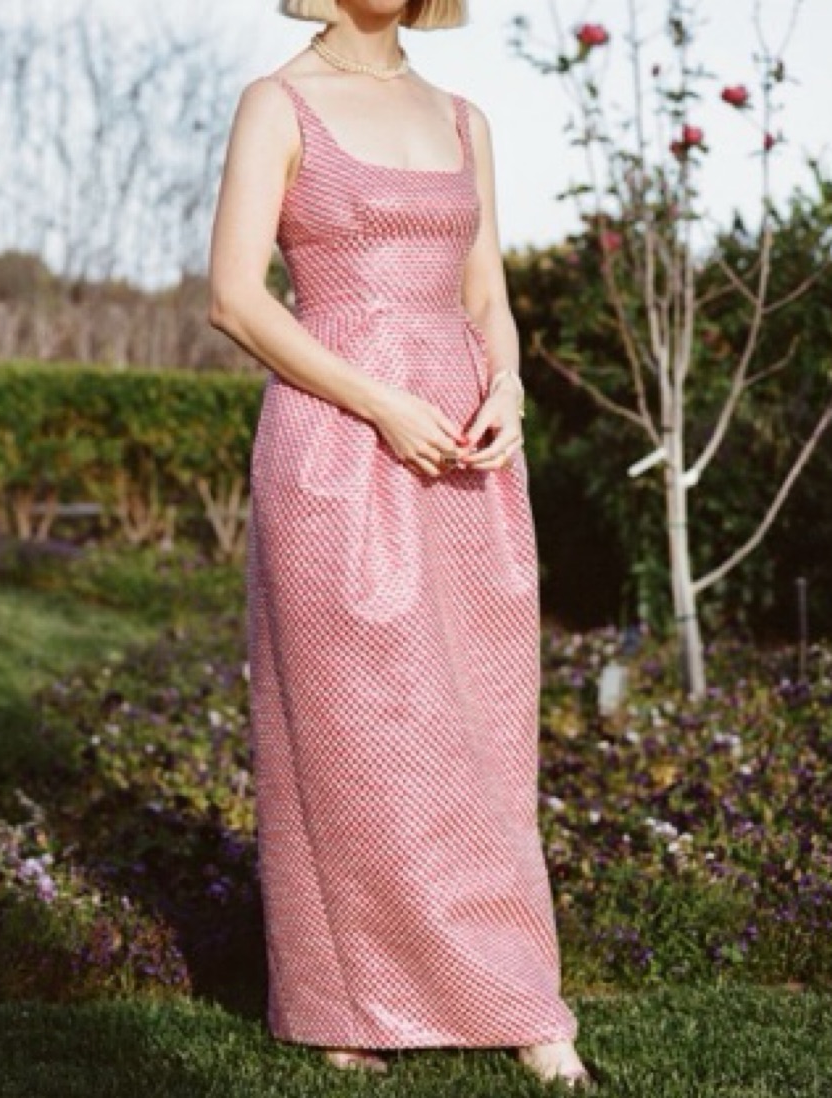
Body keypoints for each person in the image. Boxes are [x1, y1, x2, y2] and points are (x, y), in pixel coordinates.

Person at [207, 0, 595, 1089]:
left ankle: (521, 1000)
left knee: (482, 727)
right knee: (353, 724)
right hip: (336, 442)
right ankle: (345, 997)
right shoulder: (276, 104)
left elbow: (487, 296)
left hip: (466, 450)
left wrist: (508, 389)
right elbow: (233, 298)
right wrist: (379, 404)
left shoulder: (465, 117)